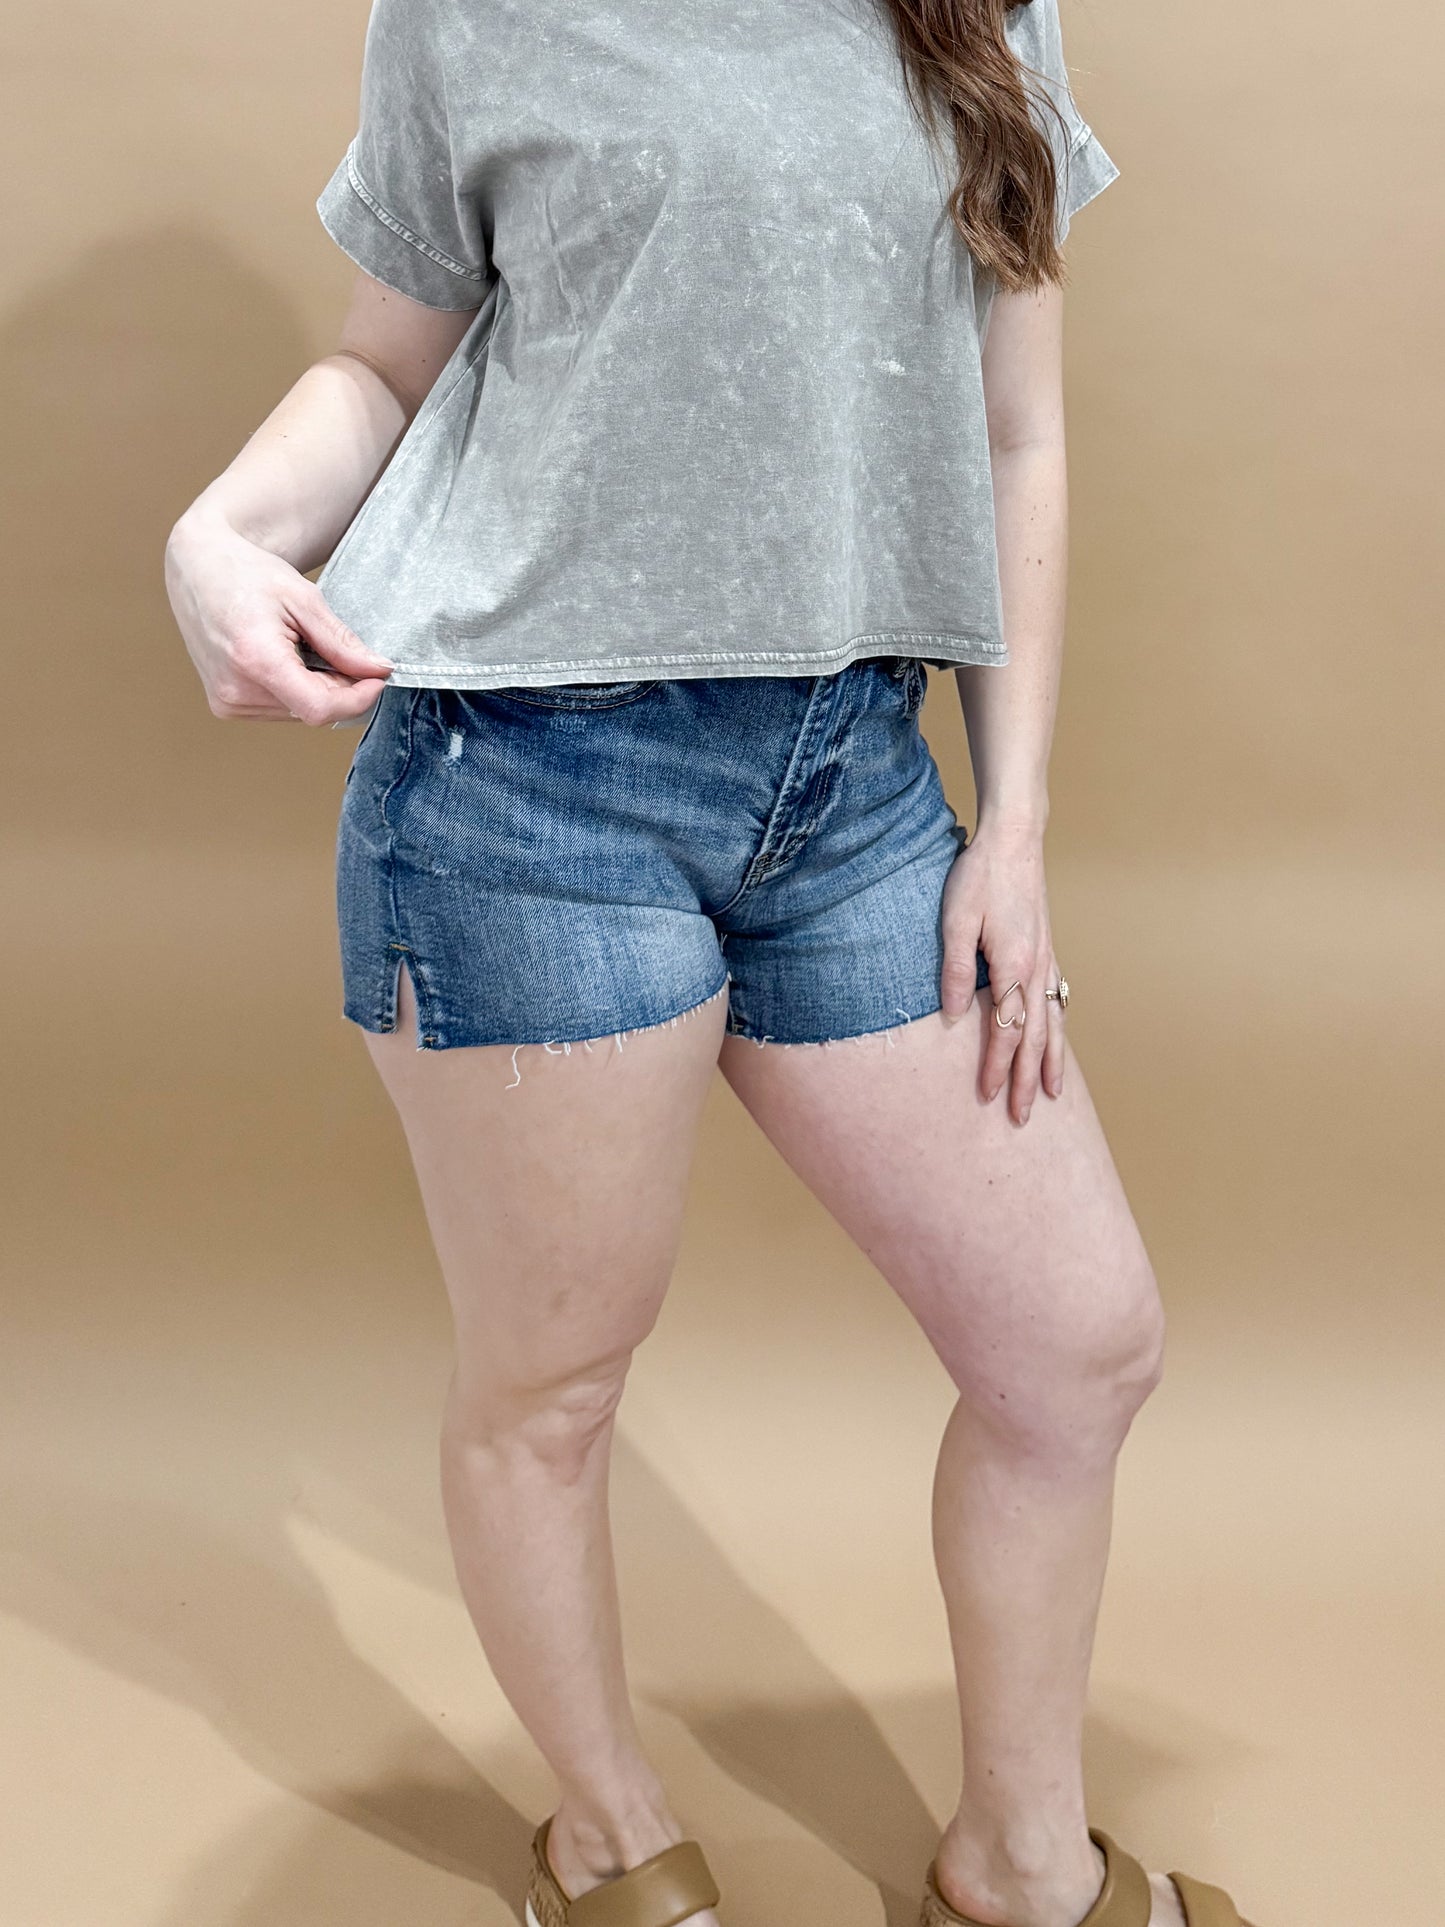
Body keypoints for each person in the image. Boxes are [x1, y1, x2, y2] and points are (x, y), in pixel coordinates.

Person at [164, 3, 1257, 1924]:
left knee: (1072, 1351)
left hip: (852, 782)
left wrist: (1010, 826)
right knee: (554, 1383)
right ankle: (603, 1837)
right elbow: (380, 358)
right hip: (526, 786)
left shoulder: (978, 9)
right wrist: (216, 535)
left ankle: (1016, 1863)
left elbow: (1014, 426)